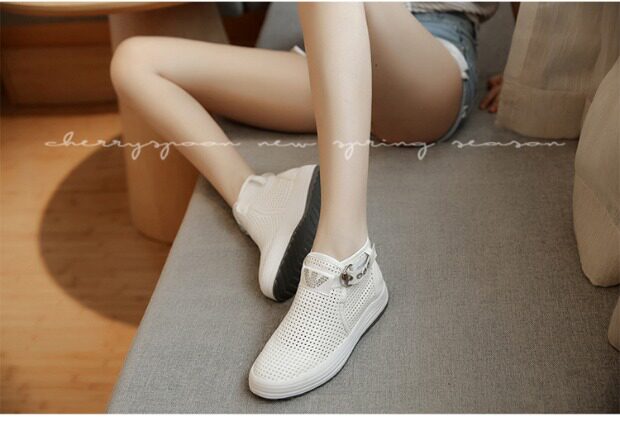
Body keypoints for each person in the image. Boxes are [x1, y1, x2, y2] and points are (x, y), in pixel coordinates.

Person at [110, 2, 497, 399]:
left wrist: (528, 86)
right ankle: (256, 196)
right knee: (134, 61)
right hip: (335, 52)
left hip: (426, 61)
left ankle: (347, 256)